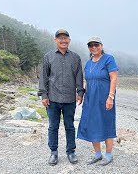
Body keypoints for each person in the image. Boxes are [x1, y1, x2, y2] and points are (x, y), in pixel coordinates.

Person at [38, 29, 84, 166]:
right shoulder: (48, 56)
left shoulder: (75, 57)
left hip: (70, 99)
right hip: (52, 99)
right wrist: (44, 95)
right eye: (60, 38)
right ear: (55, 40)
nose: (63, 40)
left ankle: (71, 151)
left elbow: (79, 77)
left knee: (69, 126)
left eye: (66, 38)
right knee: (53, 127)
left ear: (69, 40)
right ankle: (53, 152)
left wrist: (80, 93)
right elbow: (44, 77)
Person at [77, 36, 118, 166]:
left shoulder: (108, 59)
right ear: (89, 48)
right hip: (90, 98)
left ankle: (109, 154)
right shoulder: (88, 63)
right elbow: (88, 81)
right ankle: (97, 154)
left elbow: (114, 78)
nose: (94, 47)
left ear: (101, 46)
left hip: (105, 98)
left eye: (96, 45)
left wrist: (110, 97)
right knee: (92, 124)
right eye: (91, 45)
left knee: (107, 123)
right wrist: (82, 94)